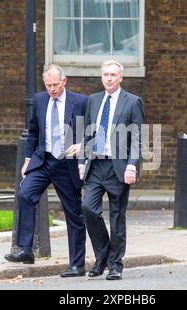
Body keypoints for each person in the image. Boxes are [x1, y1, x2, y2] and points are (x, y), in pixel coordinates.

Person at [4, 64, 88, 278]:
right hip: (43, 160)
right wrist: (27, 160)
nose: (51, 89)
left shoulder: (79, 102)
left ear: (64, 81)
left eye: (55, 85)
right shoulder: (40, 100)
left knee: (74, 213)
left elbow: (91, 130)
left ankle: (77, 265)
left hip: (66, 163)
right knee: (25, 194)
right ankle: (25, 249)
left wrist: (83, 155)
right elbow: (33, 132)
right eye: (48, 85)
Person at [79, 60, 145, 281]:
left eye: (113, 75)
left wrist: (131, 165)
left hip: (118, 167)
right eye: (105, 74)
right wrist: (81, 161)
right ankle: (103, 256)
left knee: (117, 217)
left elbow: (136, 137)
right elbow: (87, 134)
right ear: (101, 77)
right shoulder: (93, 100)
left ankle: (115, 264)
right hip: (96, 164)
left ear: (120, 78)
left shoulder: (133, 102)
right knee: (88, 208)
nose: (108, 78)